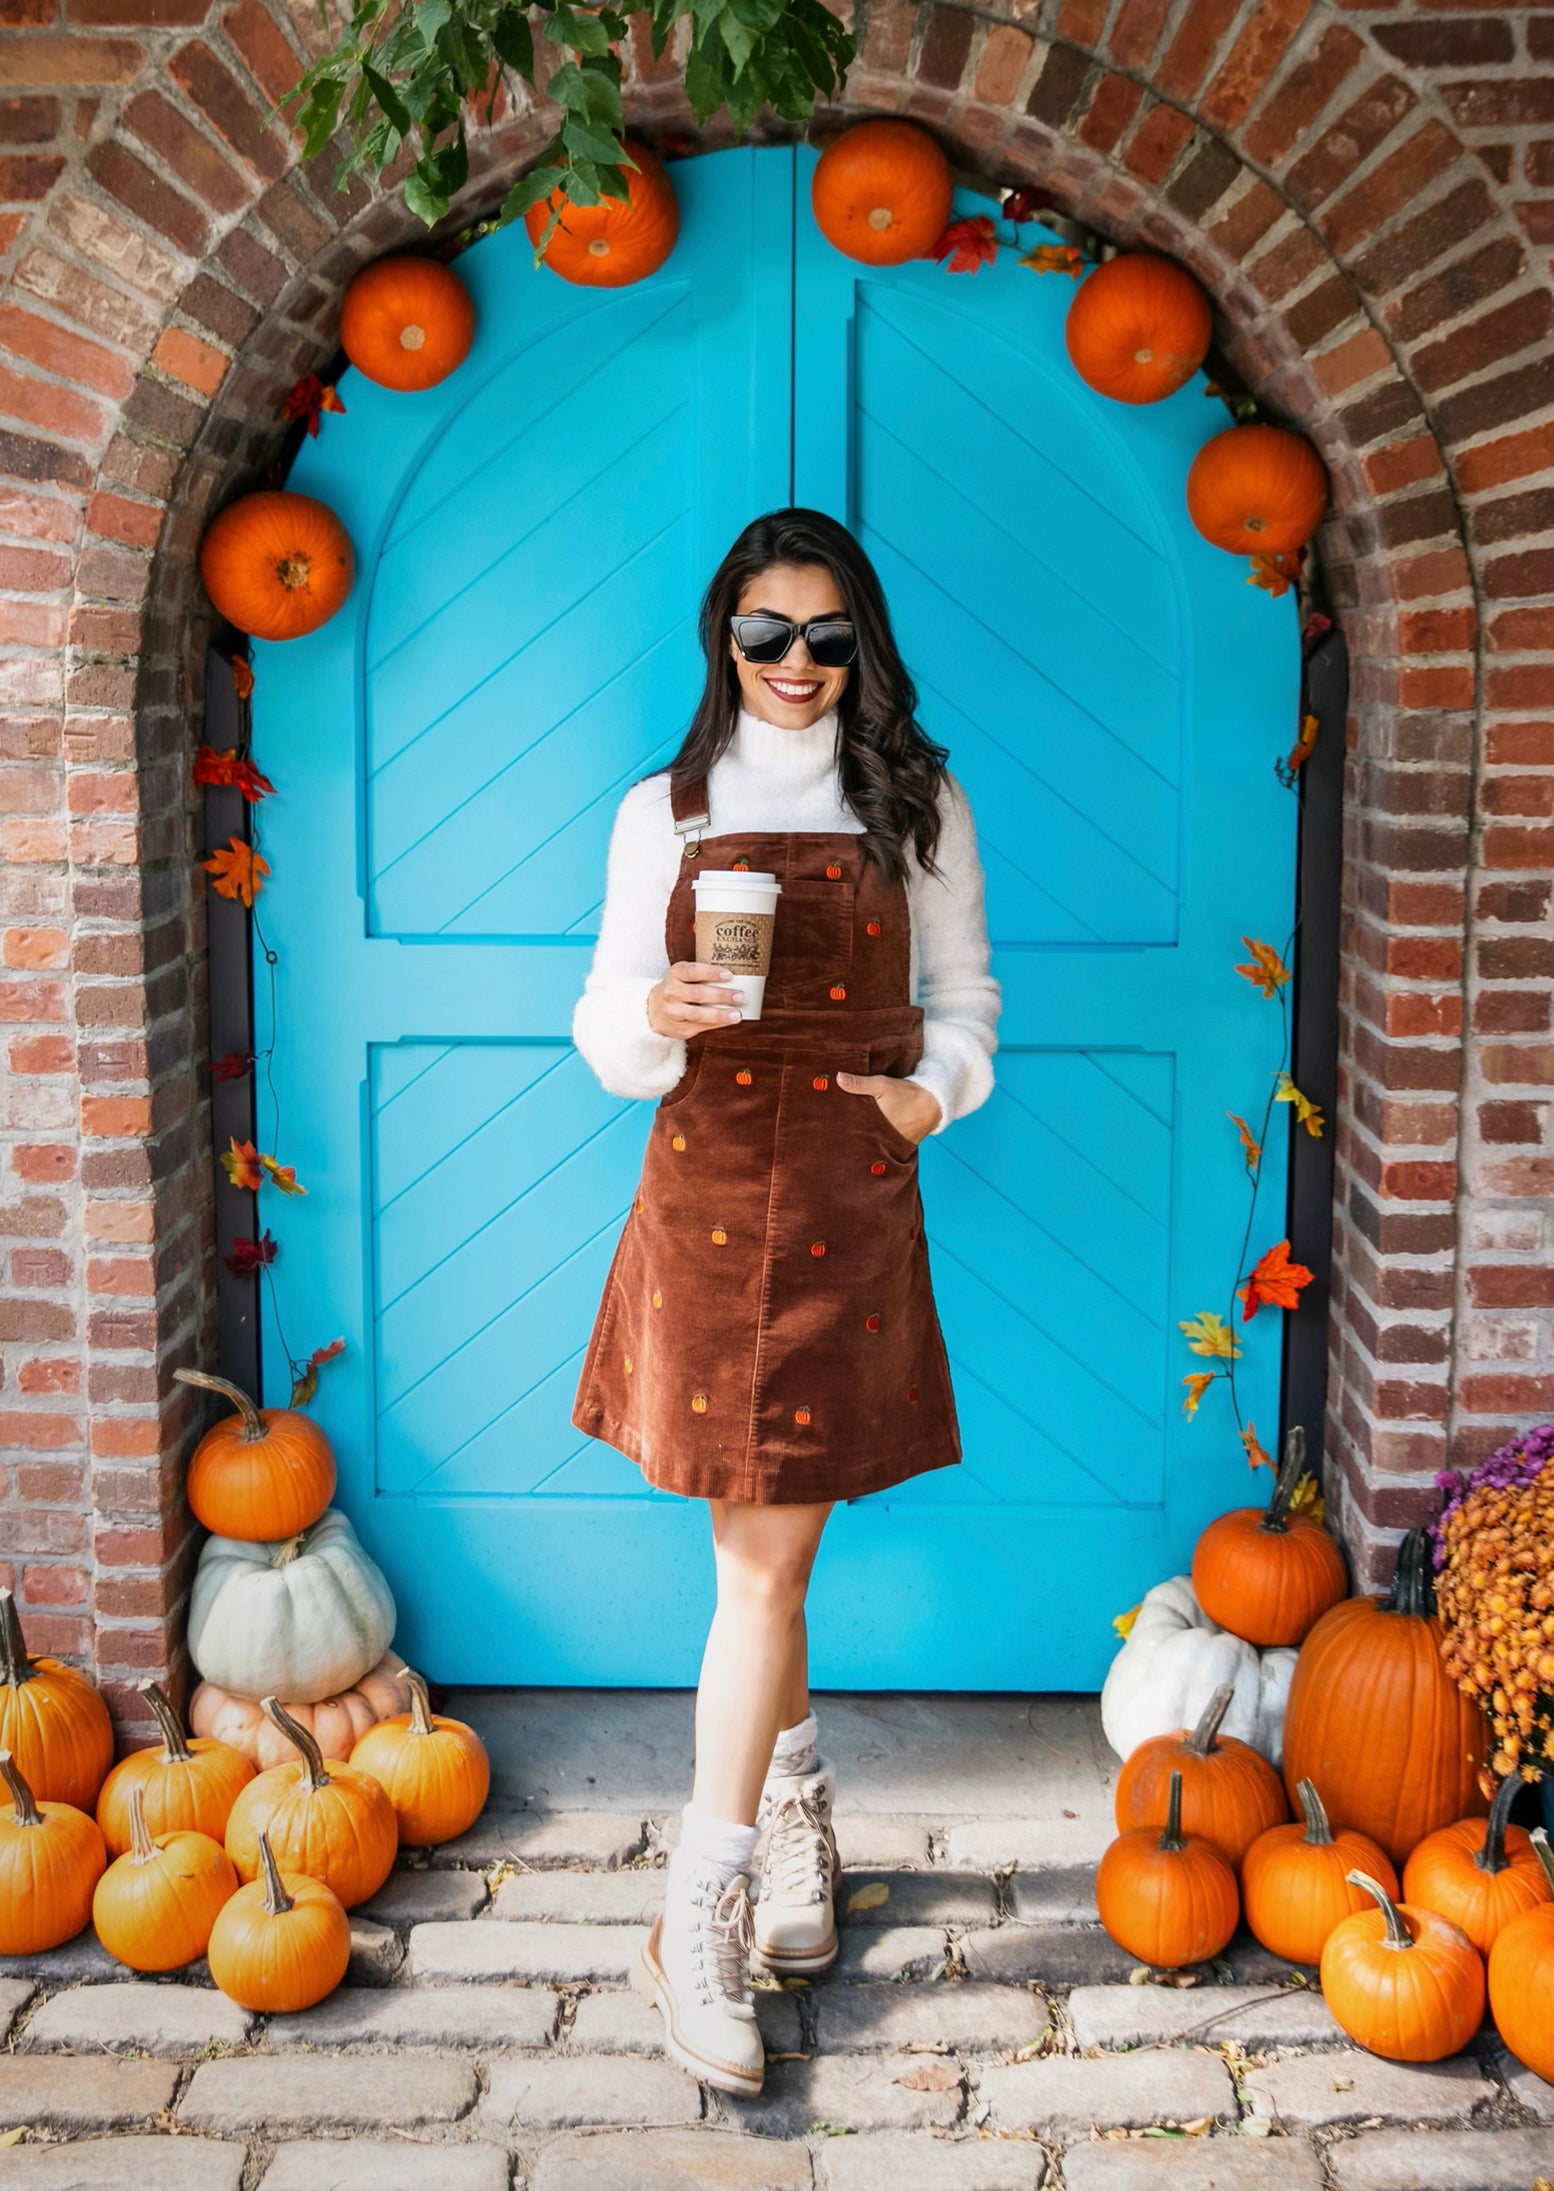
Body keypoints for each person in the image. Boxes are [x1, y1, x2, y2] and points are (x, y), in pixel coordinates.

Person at [570, 506, 1001, 2095]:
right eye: (766, 633)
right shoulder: (661, 811)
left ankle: (730, 1874)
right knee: (758, 1556)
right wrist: (654, 1017)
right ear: (723, 639)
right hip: (702, 1194)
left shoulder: (919, 801)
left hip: (847, 1192)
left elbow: (964, 996)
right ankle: (739, 1876)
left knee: (769, 1550)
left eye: (826, 635)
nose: (796, 664)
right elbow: (603, 1019)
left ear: (860, 644)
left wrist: (931, 1093)